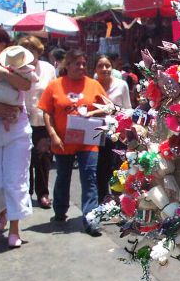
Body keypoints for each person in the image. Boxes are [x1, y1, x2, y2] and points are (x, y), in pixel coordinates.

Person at [38, 49, 107, 237]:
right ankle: (60, 211)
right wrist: (53, 134)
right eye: (77, 63)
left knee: (89, 178)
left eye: (84, 63)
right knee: (63, 176)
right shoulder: (55, 85)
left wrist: (92, 114)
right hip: (62, 141)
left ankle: (91, 220)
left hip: (88, 141)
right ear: (67, 65)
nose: (82, 67)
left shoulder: (94, 85)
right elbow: (47, 111)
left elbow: (107, 108)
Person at [0, 24, 33, 248]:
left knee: (14, 181)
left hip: (16, 127)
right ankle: (2, 211)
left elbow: (26, 85)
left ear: (3, 44)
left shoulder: (17, 60)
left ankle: (14, 227)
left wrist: (2, 71)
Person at [18, 35, 57, 209]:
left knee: (43, 158)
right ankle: (26, 193)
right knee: (24, 158)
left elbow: (55, 93)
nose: (29, 54)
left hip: (43, 120)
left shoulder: (48, 68)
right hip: (21, 120)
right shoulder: (16, 69)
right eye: (25, 50)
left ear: (38, 51)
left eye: (32, 50)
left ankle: (43, 194)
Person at [93, 54, 131, 202]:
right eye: (100, 66)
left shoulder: (121, 85)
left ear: (112, 67)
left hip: (118, 133)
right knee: (101, 168)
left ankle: (119, 201)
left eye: (107, 65)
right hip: (97, 132)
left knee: (117, 168)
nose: (104, 69)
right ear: (95, 68)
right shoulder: (92, 85)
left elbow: (128, 109)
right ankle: (102, 199)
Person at [0, 45, 38, 133]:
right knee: (14, 111)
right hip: (11, 99)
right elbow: (32, 79)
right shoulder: (24, 70)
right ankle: (7, 121)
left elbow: (26, 86)